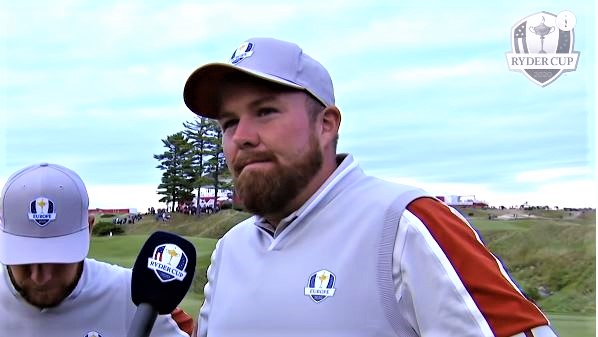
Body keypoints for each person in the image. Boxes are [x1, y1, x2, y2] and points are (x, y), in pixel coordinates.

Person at [183, 37, 559, 337]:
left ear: (326, 125)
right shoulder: (230, 250)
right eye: (229, 123)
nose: (242, 137)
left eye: (265, 111)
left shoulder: (405, 224)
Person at [0, 163, 193, 336]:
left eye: (58, 259)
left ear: (89, 228)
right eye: (23, 258)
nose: (40, 277)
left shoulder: (133, 297)